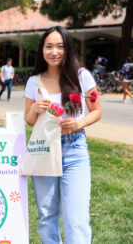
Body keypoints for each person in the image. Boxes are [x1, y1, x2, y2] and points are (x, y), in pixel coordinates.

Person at [24, 26, 102, 243]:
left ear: (68, 49)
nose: (54, 51)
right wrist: (34, 109)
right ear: (42, 50)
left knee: (76, 219)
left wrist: (78, 123)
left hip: (74, 150)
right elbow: (29, 120)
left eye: (60, 46)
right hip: (44, 150)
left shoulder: (82, 76)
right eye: (49, 46)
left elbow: (96, 111)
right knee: (47, 216)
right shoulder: (34, 82)